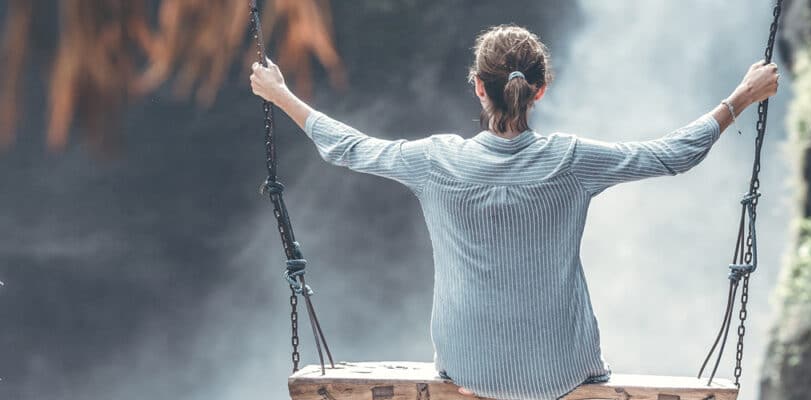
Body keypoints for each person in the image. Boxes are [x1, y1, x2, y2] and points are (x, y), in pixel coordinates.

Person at [250, 23, 778, 400]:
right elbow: (672, 155)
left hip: (468, 368)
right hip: (562, 374)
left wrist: (282, 95)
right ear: (540, 91)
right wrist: (740, 97)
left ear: (479, 87)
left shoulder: (436, 161)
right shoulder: (573, 161)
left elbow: (349, 147)